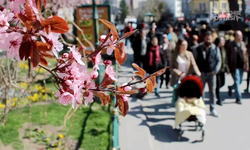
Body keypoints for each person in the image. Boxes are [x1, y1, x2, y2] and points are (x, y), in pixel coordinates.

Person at [193, 31, 221, 117]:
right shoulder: (198, 48)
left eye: (209, 38)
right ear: (204, 38)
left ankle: (213, 109)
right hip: (201, 74)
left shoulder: (215, 48)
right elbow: (194, 61)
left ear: (212, 39)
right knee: (201, 92)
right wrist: (196, 71)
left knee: (212, 92)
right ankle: (201, 108)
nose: (208, 40)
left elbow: (219, 60)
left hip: (212, 74)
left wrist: (216, 70)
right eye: (206, 38)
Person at [227, 30, 249, 105]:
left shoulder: (243, 44)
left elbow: (246, 56)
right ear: (235, 37)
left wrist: (247, 65)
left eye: (241, 35)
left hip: (241, 66)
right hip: (234, 66)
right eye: (239, 35)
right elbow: (228, 56)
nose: (241, 37)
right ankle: (238, 98)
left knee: (240, 82)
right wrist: (228, 68)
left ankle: (230, 88)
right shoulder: (231, 45)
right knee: (237, 82)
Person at [214, 36, 229, 106]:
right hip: (217, 70)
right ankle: (218, 99)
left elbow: (225, 60)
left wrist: (227, 69)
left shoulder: (223, 49)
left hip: (222, 69)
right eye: (222, 41)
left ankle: (215, 91)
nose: (223, 42)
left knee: (223, 83)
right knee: (218, 84)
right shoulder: (214, 49)